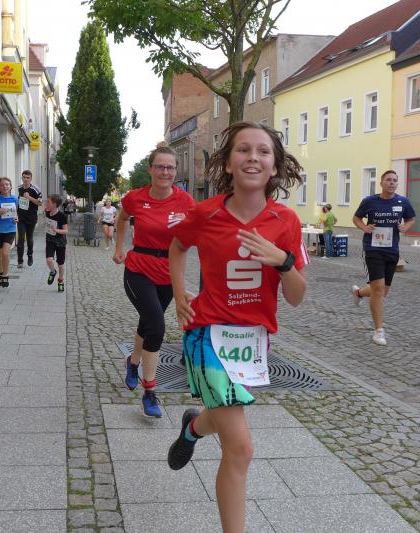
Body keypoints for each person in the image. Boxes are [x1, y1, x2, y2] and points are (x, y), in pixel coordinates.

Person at [166, 121, 308, 533]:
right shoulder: (206, 213)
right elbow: (177, 247)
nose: (253, 158)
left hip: (253, 341)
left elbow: (297, 296)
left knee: (223, 416)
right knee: (241, 448)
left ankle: (193, 427)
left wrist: (282, 261)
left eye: (263, 152)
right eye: (243, 150)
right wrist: (179, 293)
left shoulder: (285, 221)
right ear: (228, 163)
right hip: (207, 334)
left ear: (275, 167)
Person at [112, 144, 195, 418]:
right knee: (157, 326)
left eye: (170, 167)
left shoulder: (185, 202)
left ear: (175, 171)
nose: (165, 172)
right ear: (150, 169)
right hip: (138, 269)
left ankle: (133, 362)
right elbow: (122, 218)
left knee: (147, 322)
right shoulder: (135, 198)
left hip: (168, 273)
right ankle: (149, 391)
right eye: (160, 167)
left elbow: (197, 234)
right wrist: (119, 248)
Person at [350, 170, 416, 346]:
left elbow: (411, 219)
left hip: (392, 250)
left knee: (382, 291)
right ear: (381, 183)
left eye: (395, 180)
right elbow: (356, 218)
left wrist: (405, 227)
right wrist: (364, 228)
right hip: (373, 249)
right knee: (378, 290)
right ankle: (379, 331)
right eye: (388, 180)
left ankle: (359, 293)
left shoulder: (403, 202)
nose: (392, 183)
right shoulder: (370, 201)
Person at [0, 177, 18, 288]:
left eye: (7, 184)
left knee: (5, 253)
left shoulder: (15, 199)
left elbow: (18, 213)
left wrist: (17, 219)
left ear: (10, 186)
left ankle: (5, 275)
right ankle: (0, 274)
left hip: (10, 230)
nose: (5, 186)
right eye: (2, 185)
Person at [16, 170, 43, 268]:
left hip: (31, 217)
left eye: (28, 178)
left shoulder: (35, 189)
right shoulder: (19, 188)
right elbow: (17, 201)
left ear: (31, 179)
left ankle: (30, 255)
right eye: (24, 177)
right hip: (21, 217)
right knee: (20, 238)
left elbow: (40, 203)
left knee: (29, 238)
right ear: (22, 178)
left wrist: (29, 198)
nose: (26, 179)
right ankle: (20, 261)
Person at [44, 194, 69, 292]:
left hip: (60, 242)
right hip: (50, 240)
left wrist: (56, 230)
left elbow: (66, 231)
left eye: (48, 202)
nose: (46, 203)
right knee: (49, 260)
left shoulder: (62, 216)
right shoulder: (47, 212)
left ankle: (61, 280)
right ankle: (53, 271)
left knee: (61, 265)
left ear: (54, 204)